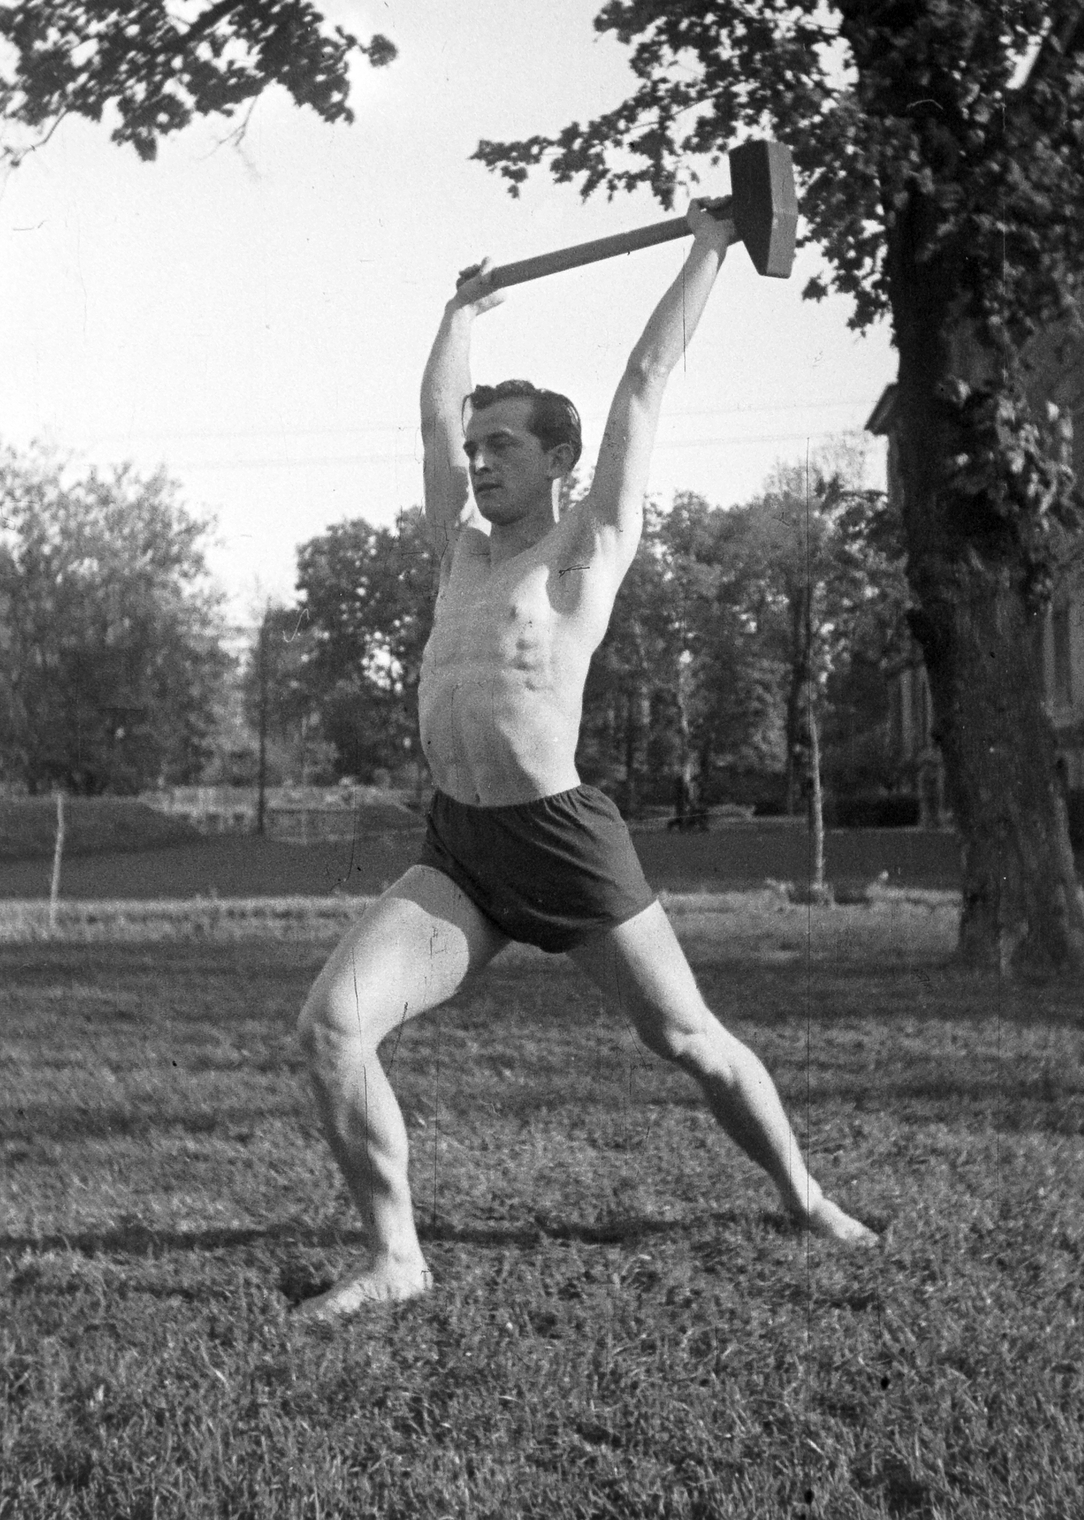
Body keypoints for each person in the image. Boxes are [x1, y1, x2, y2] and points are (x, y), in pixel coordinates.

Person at [295, 203, 877, 1321]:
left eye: (501, 444)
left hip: (560, 840)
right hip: (460, 850)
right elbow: (429, 422)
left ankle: (805, 1196)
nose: (477, 463)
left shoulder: (588, 546)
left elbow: (646, 384)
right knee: (329, 1029)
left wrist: (710, 248)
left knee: (687, 1039)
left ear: (557, 456)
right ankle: (397, 1257)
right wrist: (457, 312)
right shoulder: (456, 555)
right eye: (477, 449)